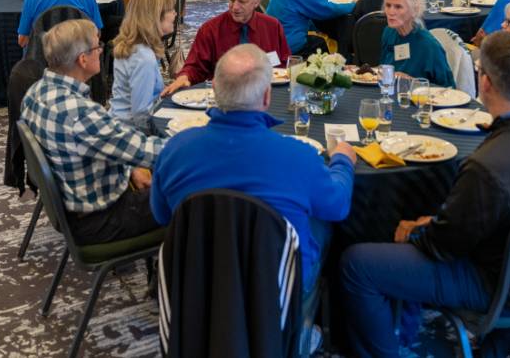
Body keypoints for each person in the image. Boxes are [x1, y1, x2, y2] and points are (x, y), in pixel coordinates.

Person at [340, 32, 510, 358]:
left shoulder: (488, 166)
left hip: (493, 280)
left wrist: (418, 229)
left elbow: (443, 246)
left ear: (487, 83)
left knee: (357, 264)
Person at [151, 44, 356, 348]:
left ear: (216, 90)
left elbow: (161, 215)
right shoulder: (298, 155)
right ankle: (301, 330)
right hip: (273, 283)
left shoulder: (176, 149)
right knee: (322, 224)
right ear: (267, 97)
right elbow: (338, 205)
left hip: (196, 273)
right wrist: (342, 161)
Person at [20, 18, 164, 244]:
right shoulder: (82, 115)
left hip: (72, 205)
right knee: (191, 193)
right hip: (100, 220)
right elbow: (151, 152)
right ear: (83, 59)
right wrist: (198, 143)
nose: (101, 50)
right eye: (98, 46)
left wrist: (129, 169)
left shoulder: (34, 93)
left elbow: (106, 145)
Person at [163, 0, 290, 94]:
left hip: (266, 93)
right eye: (232, 0)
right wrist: (184, 77)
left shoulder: (272, 27)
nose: (235, 7)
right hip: (224, 96)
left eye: (242, 1)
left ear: (256, 2)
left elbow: (285, 65)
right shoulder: (210, 30)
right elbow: (195, 67)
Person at [109, 0, 176, 131]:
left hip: (117, 121)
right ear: (156, 16)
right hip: (130, 132)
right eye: (171, 10)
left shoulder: (133, 46)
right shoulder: (144, 58)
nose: (175, 14)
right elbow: (141, 114)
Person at [380, 0, 455, 87]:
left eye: (398, 7)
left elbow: (448, 89)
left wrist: (411, 81)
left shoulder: (428, 45)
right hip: (390, 92)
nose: (391, 12)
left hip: (419, 98)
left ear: (414, 11)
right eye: (388, 5)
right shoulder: (389, 32)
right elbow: (383, 67)